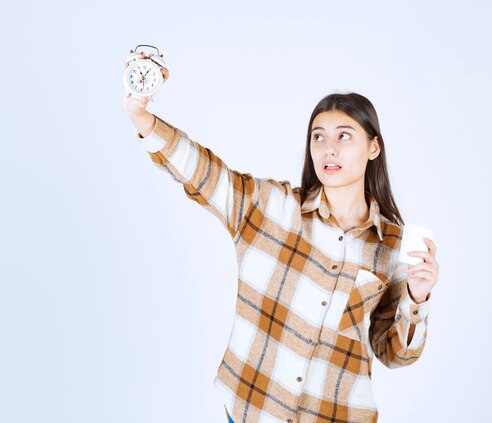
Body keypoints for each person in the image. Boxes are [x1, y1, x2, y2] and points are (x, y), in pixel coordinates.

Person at [122, 52, 440, 423]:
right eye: (318, 137)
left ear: (373, 147)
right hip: (252, 411)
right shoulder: (270, 207)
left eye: (344, 136)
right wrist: (141, 117)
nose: (329, 149)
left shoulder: (393, 247)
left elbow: (395, 355)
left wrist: (418, 298)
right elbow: (204, 173)